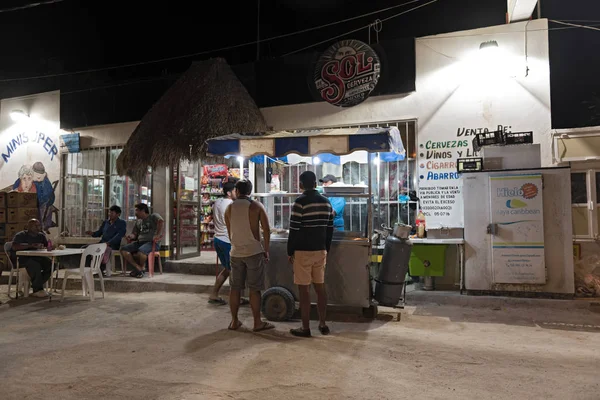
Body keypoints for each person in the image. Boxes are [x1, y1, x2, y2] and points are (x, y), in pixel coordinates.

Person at [288, 171, 334, 337]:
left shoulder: (299, 203)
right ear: (315, 183)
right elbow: (330, 228)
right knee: (320, 288)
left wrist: (289, 250)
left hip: (303, 251)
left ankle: (305, 328)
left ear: (301, 185)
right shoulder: (326, 202)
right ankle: (323, 324)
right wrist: (326, 247)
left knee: (304, 290)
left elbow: (293, 230)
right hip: (320, 250)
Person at [224, 180, 274, 332]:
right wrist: (266, 249)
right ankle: (257, 322)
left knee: (235, 288)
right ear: (250, 191)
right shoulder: (256, 206)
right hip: (253, 251)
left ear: (237, 191)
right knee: (254, 289)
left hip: (236, 252)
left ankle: (234, 321)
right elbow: (266, 229)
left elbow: (229, 230)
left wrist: (236, 244)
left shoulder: (230, 208)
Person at [208, 178, 250, 306]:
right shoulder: (230, 205)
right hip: (227, 241)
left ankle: (214, 294)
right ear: (229, 193)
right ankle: (237, 298)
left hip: (217, 239)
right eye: (235, 191)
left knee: (227, 269)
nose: (236, 193)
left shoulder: (217, 202)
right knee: (235, 271)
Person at [120, 203, 164, 278]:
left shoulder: (153, 216)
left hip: (152, 243)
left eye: (137, 210)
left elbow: (161, 221)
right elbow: (135, 234)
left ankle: (141, 268)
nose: (135, 213)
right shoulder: (138, 222)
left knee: (141, 251)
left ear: (143, 211)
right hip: (139, 242)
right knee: (124, 249)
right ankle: (138, 267)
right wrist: (131, 236)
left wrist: (157, 234)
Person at [11, 219, 52, 298]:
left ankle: (36, 284)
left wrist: (49, 246)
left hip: (38, 257)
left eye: (39, 225)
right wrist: (31, 245)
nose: (38, 228)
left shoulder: (41, 235)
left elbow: (47, 246)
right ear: (28, 227)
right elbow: (14, 247)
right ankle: (37, 289)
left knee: (51, 264)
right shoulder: (21, 235)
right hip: (23, 259)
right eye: (35, 226)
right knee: (35, 265)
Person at [85, 205, 127, 277]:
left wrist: (109, 243)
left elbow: (119, 235)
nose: (110, 214)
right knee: (87, 248)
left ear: (118, 214)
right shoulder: (106, 222)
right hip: (102, 243)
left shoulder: (122, 223)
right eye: (109, 213)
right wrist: (92, 233)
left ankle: (100, 270)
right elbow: (99, 233)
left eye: (112, 213)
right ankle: (89, 270)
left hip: (113, 245)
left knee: (103, 250)